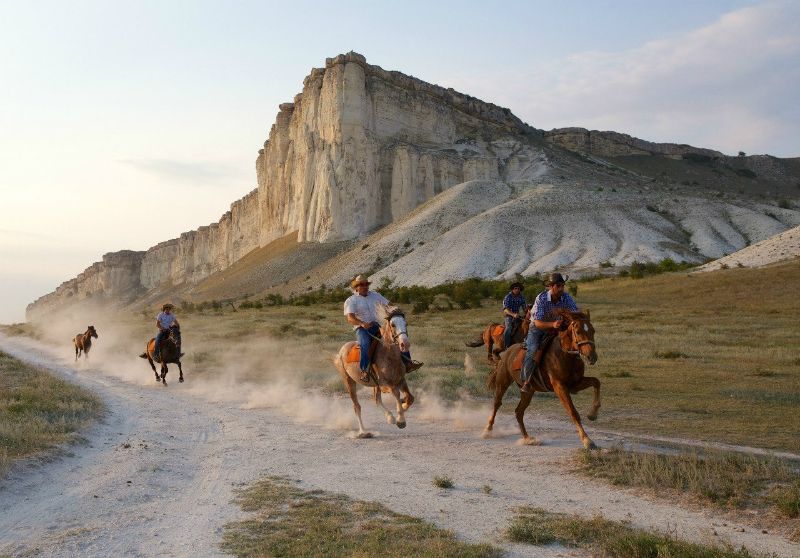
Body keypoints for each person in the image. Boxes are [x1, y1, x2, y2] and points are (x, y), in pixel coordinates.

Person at [344, 274, 422, 382]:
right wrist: (362, 324)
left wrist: (396, 312)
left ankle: (408, 363)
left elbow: (389, 305)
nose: (365, 286)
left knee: (397, 338)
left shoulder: (376, 295)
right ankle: (364, 371)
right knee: (365, 344)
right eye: (362, 285)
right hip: (363, 328)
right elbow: (350, 318)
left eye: (366, 284)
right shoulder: (351, 300)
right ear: (357, 287)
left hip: (378, 326)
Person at [520, 273, 579, 393]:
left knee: (576, 345)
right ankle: (526, 380)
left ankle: (574, 376)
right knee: (533, 349)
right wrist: (552, 324)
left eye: (562, 286)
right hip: (539, 328)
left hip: (558, 329)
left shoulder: (566, 298)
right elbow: (537, 322)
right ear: (551, 286)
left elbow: (575, 312)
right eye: (558, 286)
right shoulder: (541, 298)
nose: (561, 288)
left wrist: (579, 317)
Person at [502, 281, 527, 351]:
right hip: (509, 316)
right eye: (515, 288)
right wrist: (513, 314)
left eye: (518, 288)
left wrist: (528, 312)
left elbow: (525, 308)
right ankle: (506, 346)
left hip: (518, 316)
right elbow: (505, 309)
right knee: (508, 329)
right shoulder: (508, 296)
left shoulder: (521, 297)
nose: (517, 290)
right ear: (512, 289)